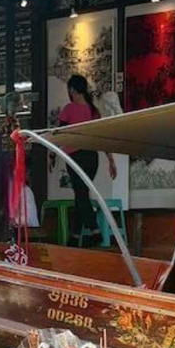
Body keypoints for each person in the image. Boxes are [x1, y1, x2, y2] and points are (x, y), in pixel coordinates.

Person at [55, 75, 117, 247]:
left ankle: (95, 230)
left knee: (80, 194)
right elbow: (101, 138)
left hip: (75, 157)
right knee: (81, 195)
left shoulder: (68, 109)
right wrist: (110, 160)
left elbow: (59, 134)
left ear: (72, 89)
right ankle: (75, 237)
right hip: (92, 158)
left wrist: (51, 154)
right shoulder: (93, 111)